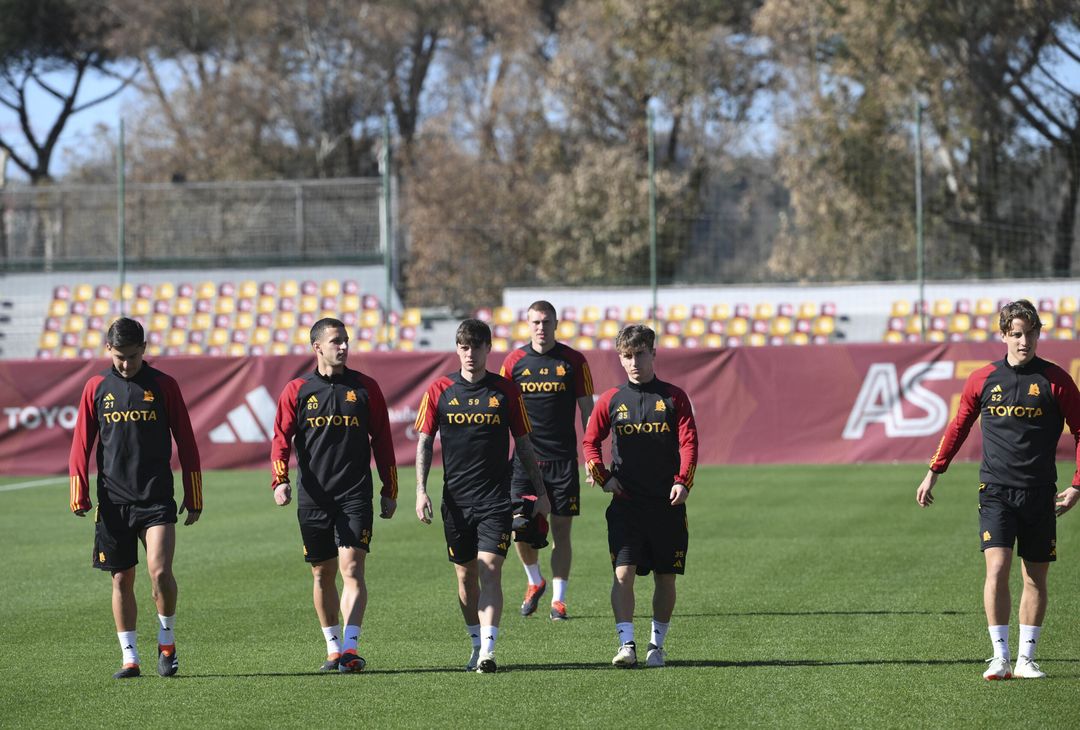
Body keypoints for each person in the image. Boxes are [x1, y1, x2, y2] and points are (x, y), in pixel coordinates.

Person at [916, 299, 1080, 681]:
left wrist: (1077, 486)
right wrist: (933, 472)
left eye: (1030, 333)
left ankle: (1026, 659)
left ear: (1039, 334)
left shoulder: (1057, 381)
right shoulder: (982, 379)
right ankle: (999, 657)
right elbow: (957, 427)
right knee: (997, 569)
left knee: (1035, 578)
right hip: (995, 492)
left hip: (1041, 494)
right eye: (1017, 334)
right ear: (1004, 335)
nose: (1024, 341)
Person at [69, 317, 203, 679]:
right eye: (119, 357)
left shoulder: (163, 385)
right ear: (108, 350)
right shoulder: (96, 386)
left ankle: (167, 641)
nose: (125, 364)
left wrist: (194, 494)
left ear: (144, 349)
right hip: (113, 501)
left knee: (159, 572)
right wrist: (78, 490)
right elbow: (82, 441)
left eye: (132, 356)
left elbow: (186, 440)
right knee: (120, 580)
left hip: (155, 498)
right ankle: (130, 658)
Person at [414, 318, 550, 673]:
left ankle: (488, 650)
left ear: (488, 349)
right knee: (465, 576)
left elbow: (523, 446)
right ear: (457, 350)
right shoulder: (439, 390)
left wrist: (540, 492)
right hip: (455, 502)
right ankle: (475, 642)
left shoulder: (506, 391)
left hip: (495, 501)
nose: (470, 353)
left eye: (476, 346)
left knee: (491, 570)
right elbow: (425, 442)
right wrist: (420, 490)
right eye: (463, 347)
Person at [270, 317, 398, 673]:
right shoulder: (297, 390)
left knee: (352, 568)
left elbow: (383, 441)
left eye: (345, 340)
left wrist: (390, 488)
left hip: (355, 494)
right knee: (322, 574)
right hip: (313, 498)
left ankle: (351, 648)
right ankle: (332, 646)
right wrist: (279, 480)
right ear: (317, 348)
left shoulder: (366, 388)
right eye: (335, 341)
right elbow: (281, 440)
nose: (343, 346)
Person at [582, 324, 698, 669]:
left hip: (666, 504)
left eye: (640, 354)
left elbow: (689, 443)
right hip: (627, 505)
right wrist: (603, 477)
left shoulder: (674, 397)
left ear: (653, 353)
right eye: (627, 356)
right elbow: (590, 442)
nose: (633, 362)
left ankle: (656, 647)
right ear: (620, 357)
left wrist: (683, 482)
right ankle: (626, 644)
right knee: (623, 574)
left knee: (666, 577)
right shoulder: (611, 399)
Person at [499, 300, 594, 620]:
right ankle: (534, 581)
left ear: (556, 324)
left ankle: (559, 600)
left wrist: (591, 455)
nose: (541, 327)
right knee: (518, 527)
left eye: (546, 322)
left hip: (563, 461)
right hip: (524, 462)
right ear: (528, 325)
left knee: (561, 532)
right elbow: (498, 409)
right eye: (535, 322)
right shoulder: (513, 362)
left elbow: (587, 410)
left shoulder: (574, 361)